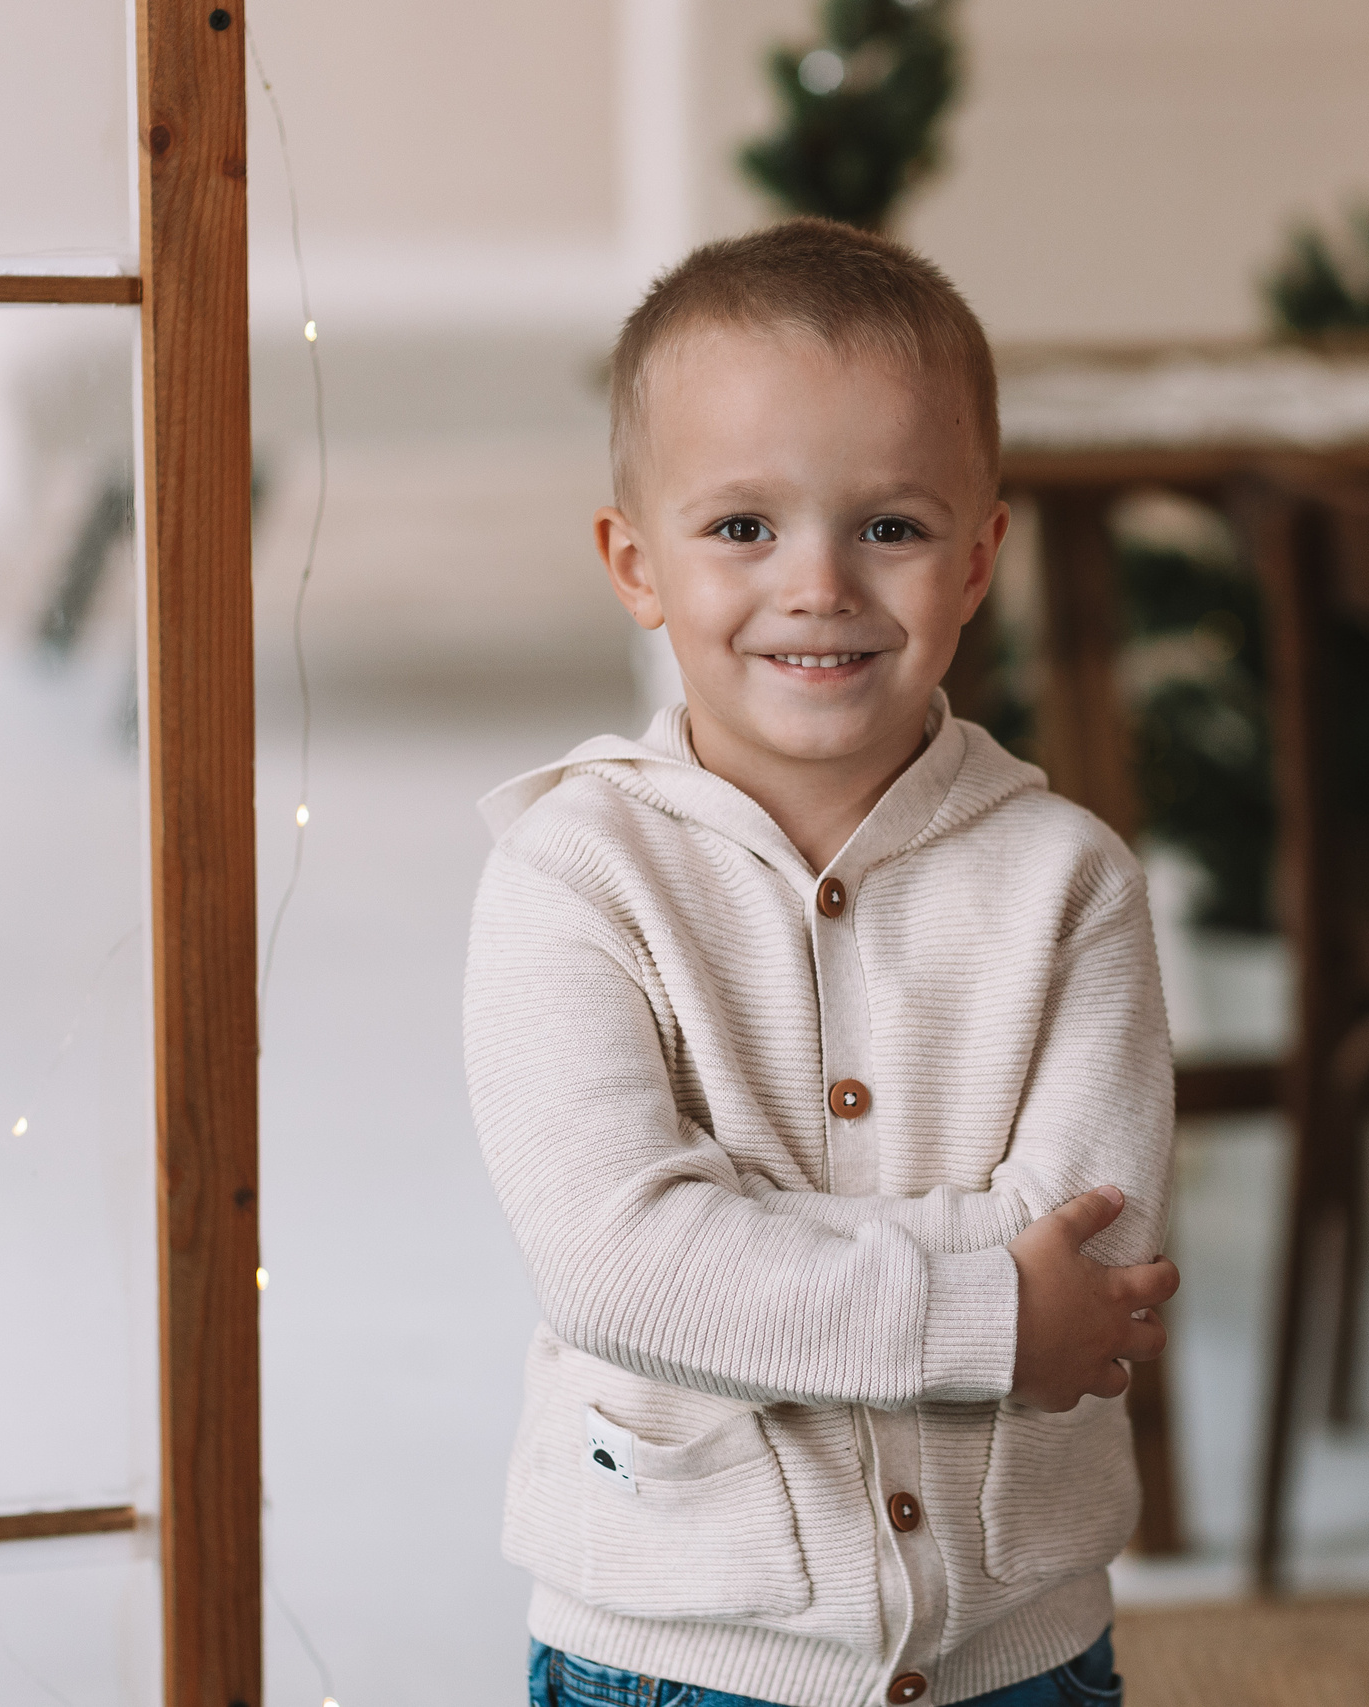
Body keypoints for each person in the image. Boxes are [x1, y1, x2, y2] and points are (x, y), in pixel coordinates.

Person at [465, 217, 1180, 1707]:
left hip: (1022, 1659)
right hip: (669, 1660)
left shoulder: (1072, 882)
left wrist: (754, 1247)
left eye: (891, 527)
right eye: (741, 528)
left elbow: (1096, 1269)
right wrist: (986, 1308)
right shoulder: (568, 877)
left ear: (979, 557)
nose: (821, 586)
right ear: (634, 562)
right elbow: (621, 1269)